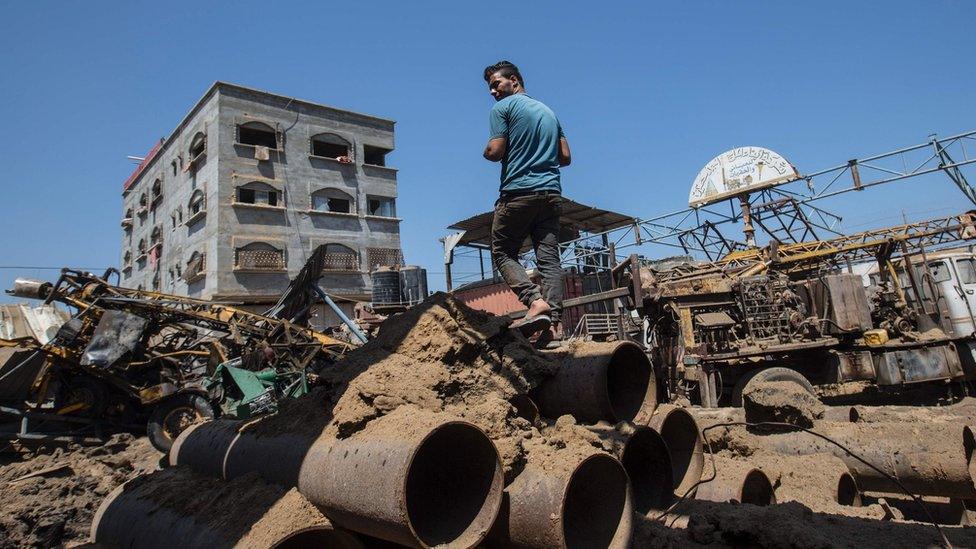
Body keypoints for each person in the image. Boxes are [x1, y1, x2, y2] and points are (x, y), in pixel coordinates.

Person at [482, 60, 571, 336]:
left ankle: (535, 301)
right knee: (548, 259)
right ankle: (554, 323)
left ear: (514, 81)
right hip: (551, 194)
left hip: (519, 193)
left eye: (496, 84)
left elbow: (495, 150)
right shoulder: (549, 112)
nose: (493, 92)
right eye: (490, 88)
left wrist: (487, 152)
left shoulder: (503, 109)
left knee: (503, 251)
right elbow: (565, 157)